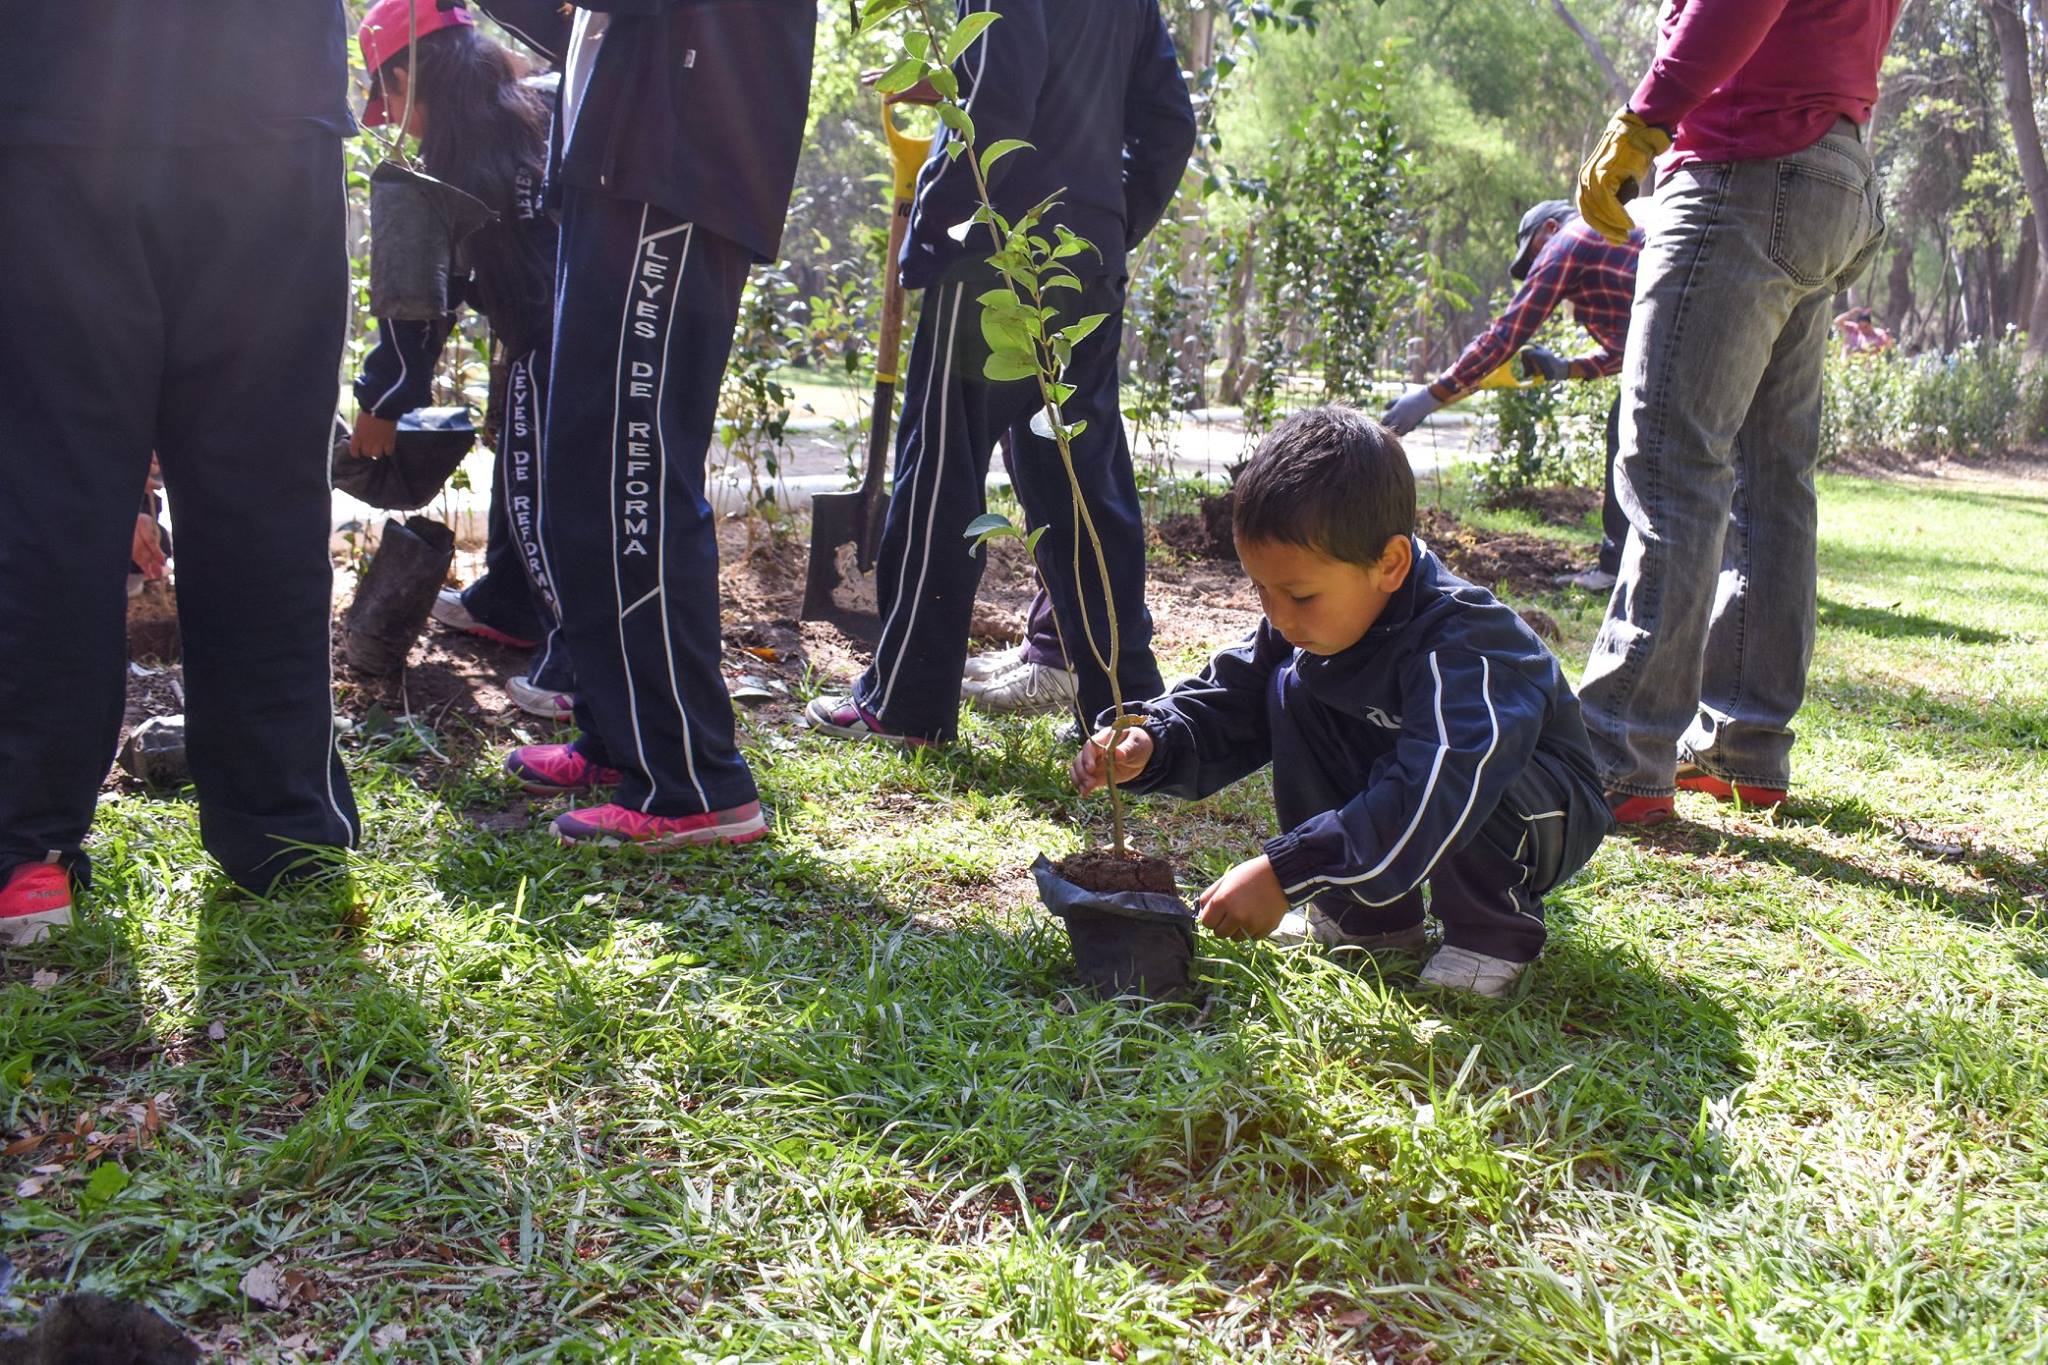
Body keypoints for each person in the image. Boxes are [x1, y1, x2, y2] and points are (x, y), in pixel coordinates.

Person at [0, 1, 360, 945]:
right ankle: (284, 829)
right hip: (263, 98)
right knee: (264, 491)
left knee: (50, 487)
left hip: (52, 100)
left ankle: (26, 850)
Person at [1074, 407, 1609, 998]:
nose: (1277, 615)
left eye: (1299, 594)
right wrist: (1153, 740)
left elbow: (1436, 790)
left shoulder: (1468, 649)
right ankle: (1369, 921)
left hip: (1533, 806)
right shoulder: (1312, 623)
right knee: (1293, 684)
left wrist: (1288, 872)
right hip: (1426, 780)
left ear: (1391, 565)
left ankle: (1489, 932)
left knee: (1463, 766)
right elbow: (1233, 698)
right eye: (1262, 590)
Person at [803, 0, 1197, 747]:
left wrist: (934, 227)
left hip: (992, 245)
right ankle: (1125, 706)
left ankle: (907, 702)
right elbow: (1171, 123)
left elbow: (1001, 91)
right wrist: (1107, 221)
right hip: (1088, 257)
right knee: (1085, 478)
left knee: (941, 474)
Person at [477, 0, 817, 849]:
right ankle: (619, 738)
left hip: (677, 172)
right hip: (613, 172)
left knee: (635, 480)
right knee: (583, 473)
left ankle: (695, 779)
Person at [1575, 0, 1899, 826]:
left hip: (1747, 164)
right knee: (1769, 477)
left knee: (1673, 462)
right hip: (1835, 165)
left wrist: (1647, 118)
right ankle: (1743, 745)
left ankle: (1618, 753)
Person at [349, 0, 574, 724]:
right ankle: (509, 600)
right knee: (520, 449)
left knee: (550, 495)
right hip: (573, 332)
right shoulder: (543, 102)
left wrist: (382, 403)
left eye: (386, 95)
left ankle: (578, 665)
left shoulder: (444, 167)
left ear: (412, 74)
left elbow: (419, 306)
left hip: (567, 345)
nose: (390, 115)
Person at [1383, 200, 1641, 593]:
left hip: (1684, 339)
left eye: (1535, 252)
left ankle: (1621, 570)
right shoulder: (1615, 239)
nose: (1538, 264)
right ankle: (1627, 566)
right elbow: (1630, 351)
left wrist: (1430, 397)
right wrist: (1566, 368)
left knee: (1630, 436)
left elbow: (1506, 336)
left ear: (1550, 228)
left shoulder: (1572, 236)